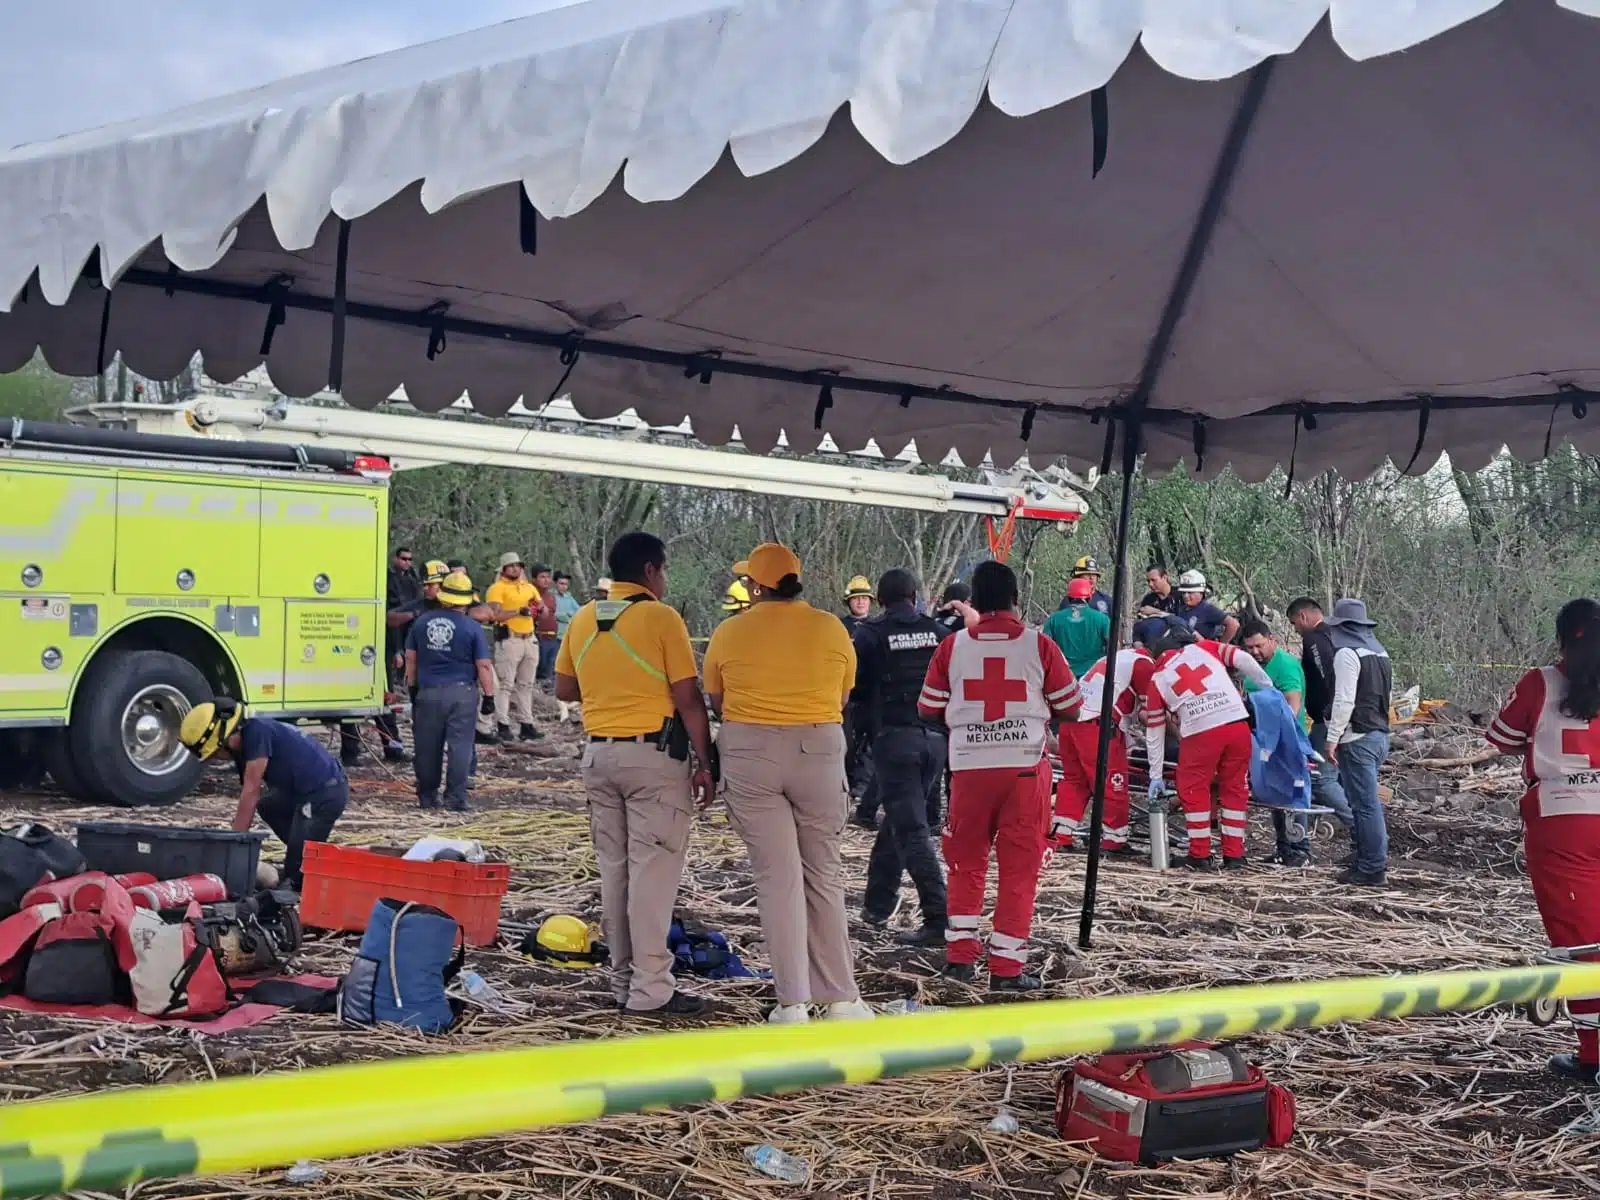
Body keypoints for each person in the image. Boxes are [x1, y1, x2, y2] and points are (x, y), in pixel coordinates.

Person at [702, 543, 870, 1024]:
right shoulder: (832, 627)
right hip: (817, 749)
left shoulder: (730, 631)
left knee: (778, 879)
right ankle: (841, 998)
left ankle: (792, 1003)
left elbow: (716, 699)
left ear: (756, 586)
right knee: (823, 873)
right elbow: (842, 695)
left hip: (750, 754)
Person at [555, 532, 715, 1019]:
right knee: (653, 874)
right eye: (663, 571)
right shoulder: (662, 618)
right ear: (650, 570)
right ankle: (652, 990)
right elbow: (688, 697)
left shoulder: (583, 617)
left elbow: (565, 687)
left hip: (599, 757)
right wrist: (706, 761)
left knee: (616, 872)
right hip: (653, 759)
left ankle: (624, 980)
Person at [918, 560, 1081, 992]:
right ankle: (1006, 970)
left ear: (974, 602)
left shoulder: (951, 647)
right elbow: (1071, 705)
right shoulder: (1039, 645)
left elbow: (927, 708)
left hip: (969, 770)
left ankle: (959, 959)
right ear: (1015, 600)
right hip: (1024, 770)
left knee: (964, 864)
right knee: (1019, 871)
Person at [1486, 598, 1600, 1084]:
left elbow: (1502, 737)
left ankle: (1594, 1055)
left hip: (1562, 820)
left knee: (1583, 945)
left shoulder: (1541, 682)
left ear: (1561, 639)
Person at [853, 568, 952, 944]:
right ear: (915, 597)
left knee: (910, 828)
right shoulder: (941, 633)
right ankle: (877, 905)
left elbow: (856, 689)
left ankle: (938, 918)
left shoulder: (870, 635)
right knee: (899, 818)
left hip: (896, 742)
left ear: (880, 600)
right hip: (935, 743)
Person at [1142, 616, 1272, 870]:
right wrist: (1268, 687)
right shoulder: (1204, 648)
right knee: (1235, 788)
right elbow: (1244, 659)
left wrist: (1155, 774)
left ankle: (1199, 854)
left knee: (1193, 789)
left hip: (1201, 732)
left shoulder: (1157, 678)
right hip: (1237, 724)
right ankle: (1235, 856)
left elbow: (1154, 731)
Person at [178, 699, 347, 890]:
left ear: (224, 739)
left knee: (296, 875)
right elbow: (248, 795)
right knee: (269, 806)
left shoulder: (257, 732)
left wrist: (233, 847)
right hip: (299, 793)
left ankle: (305, 865)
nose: (216, 758)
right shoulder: (244, 744)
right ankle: (303, 850)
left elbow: (251, 792)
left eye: (215, 753)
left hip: (324, 793)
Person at [406, 570, 495, 812]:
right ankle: (455, 798)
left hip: (428, 692)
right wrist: (489, 696)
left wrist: (412, 688)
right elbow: (483, 665)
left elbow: (411, 659)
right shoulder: (472, 627)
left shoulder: (421, 622)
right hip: (462, 693)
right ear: (466, 600)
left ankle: (427, 796)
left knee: (426, 747)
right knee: (460, 746)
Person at [1052, 644, 1154, 853]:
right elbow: (1149, 712)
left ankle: (1060, 835)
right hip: (1098, 727)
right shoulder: (1143, 664)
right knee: (1113, 782)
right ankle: (1113, 841)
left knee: (1074, 781)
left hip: (1071, 722)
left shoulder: (1116, 658)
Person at [1324, 598, 1393, 887]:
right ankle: (1367, 857)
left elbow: (1344, 700)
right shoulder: (1381, 653)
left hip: (1357, 736)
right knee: (1364, 802)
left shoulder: (1346, 654)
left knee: (1364, 805)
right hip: (1379, 735)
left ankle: (1372, 866)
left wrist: (1332, 738)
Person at [1240, 618, 1314, 865]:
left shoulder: (1286, 666)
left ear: (1272, 640)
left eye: (1259, 646)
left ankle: (1300, 850)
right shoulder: (1254, 669)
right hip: (1263, 742)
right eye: (1249, 648)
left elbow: (1292, 705)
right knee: (1275, 795)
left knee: (1293, 795)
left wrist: (1278, 731)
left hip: (1285, 742)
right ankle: (1283, 849)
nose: (1255, 652)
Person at [1287, 597, 1356, 834]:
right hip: (1341, 718)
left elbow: (1326, 673)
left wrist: (1329, 711)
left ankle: (1358, 825)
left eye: (1295, 623)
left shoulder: (1314, 639)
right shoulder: (1337, 636)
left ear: (1303, 617)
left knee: (1320, 778)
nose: (1296, 629)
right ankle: (1362, 825)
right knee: (1339, 776)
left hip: (1327, 720)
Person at [485, 552, 541, 744]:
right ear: (503, 569)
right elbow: (494, 615)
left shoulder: (528, 587)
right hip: (510, 638)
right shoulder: (497, 589)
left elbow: (541, 605)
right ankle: (503, 724)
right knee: (506, 684)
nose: (515, 569)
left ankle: (527, 723)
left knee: (526, 684)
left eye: (518, 565)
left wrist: (539, 608)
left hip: (529, 637)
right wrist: (518, 611)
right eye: (511, 566)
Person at [1042, 577, 1112, 680]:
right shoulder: (1103, 619)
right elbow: (1113, 647)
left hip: (1064, 677)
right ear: (1089, 597)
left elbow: (1044, 648)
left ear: (1068, 597)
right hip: (1093, 677)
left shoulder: (1054, 619)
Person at [1175, 570, 1239, 642]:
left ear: (1201, 593)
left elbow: (1233, 624)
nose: (1186, 596)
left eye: (1190, 592)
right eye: (1184, 593)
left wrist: (1220, 646)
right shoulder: (1182, 609)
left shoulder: (1207, 609)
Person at [530, 563, 561, 687]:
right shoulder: (530, 595)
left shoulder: (550, 596)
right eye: (542, 577)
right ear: (534, 579)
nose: (546, 580)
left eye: (548, 577)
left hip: (553, 639)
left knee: (551, 674)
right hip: (538, 638)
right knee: (539, 673)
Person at [553, 572, 580, 642]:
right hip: (554, 636)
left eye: (566, 584)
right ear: (555, 583)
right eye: (561, 583)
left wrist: (569, 614)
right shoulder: (551, 596)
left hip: (568, 636)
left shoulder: (569, 597)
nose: (564, 586)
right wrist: (565, 615)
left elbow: (579, 611)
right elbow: (550, 614)